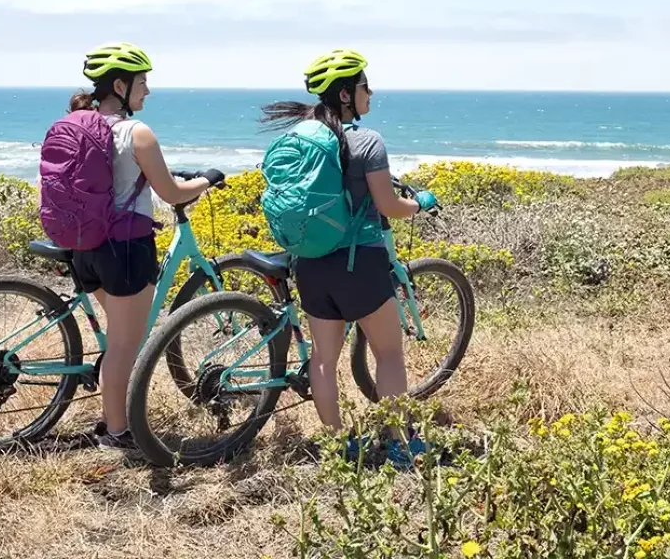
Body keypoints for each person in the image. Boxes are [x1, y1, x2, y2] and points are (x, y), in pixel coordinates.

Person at [260, 48, 437, 465]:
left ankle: (337, 445)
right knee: (389, 353)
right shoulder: (365, 141)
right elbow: (390, 206)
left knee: (323, 359)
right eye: (363, 86)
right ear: (345, 95)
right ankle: (398, 444)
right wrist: (421, 203)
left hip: (310, 263)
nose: (370, 92)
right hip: (358, 264)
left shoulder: (301, 137)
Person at [67, 42, 224, 449]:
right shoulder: (136, 132)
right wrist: (206, 180)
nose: (147, 91)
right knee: (125, 344)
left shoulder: (78, 123)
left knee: (118, 337)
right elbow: (172, 192)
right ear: (120, 85)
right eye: (142, 82)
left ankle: (112, 411)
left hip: (86, 246)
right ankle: (117, 433)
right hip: (124, 248)